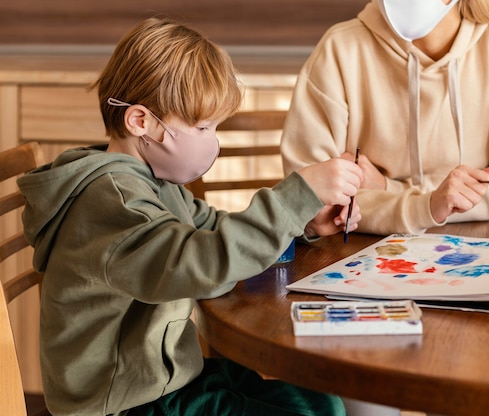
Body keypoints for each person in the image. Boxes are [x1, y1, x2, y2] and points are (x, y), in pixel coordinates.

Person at [17, 17, 364, 416]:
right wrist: (296, 195)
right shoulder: (114, 202)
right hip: (126, 401)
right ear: (141, 121)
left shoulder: (152, 181)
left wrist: (302, 224)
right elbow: (202, 263)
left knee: (322, 405)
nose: (212, 141)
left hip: (168, 375)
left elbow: (214, 230)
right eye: (202, 127)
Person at [281, 0, 489, 235]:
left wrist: (388, 188)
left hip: (483, 252)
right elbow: (310, 204)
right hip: (367, 258)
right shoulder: (339, 49)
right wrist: (427, 204)